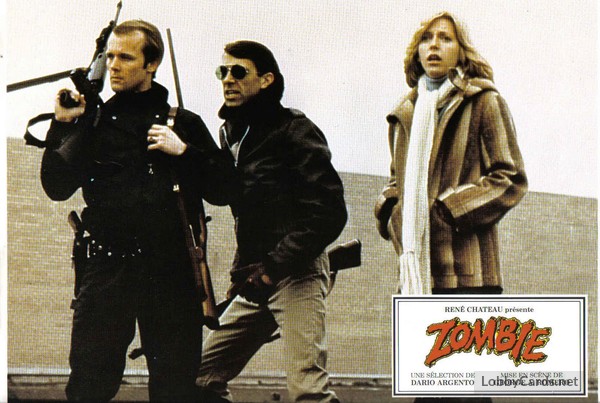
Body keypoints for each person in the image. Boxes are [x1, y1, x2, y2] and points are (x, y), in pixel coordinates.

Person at [41, 20, 237, 402]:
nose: (114, 65)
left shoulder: (183, 124)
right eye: (111, 56)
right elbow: (56, 186)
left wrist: (184, 152)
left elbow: (225, 190)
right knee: (88, 387)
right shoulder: (93, 123)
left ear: (152, 64)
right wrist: (62, 125)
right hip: (106, 271)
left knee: (174, 389)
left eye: (126, 58)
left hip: (170, 275)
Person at [374, 11, 527, 403]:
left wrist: (446, 213)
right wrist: (391, 211)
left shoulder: (484, 101)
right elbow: (396, 180)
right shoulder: (404, 113)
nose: (434, 46)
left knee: (467, 395)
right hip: (418, 277)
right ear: (416, 51)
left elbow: (510, 177)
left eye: (445, 38)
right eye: (426, 38)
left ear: (461, 50)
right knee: (428, 394)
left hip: (468, 276)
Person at [196, 40, 347, 403]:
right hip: (255, 276)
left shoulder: (294, 129)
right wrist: (244, 274)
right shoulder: (231, 134)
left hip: (296, 273)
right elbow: (238, 207)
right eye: (222, 72)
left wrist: (274, 266)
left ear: (266, 80)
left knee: (308, 391)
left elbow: (329, 211)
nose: (227, 79)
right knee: (198, 378)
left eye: (238, 71)